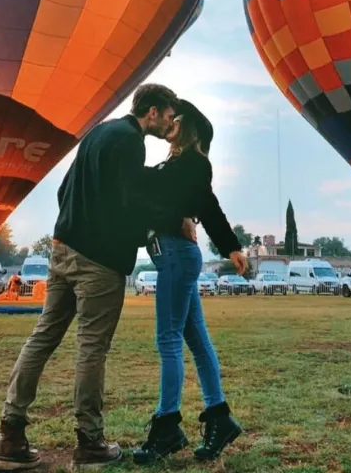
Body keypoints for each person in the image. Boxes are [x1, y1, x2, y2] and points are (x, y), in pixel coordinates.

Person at [0, 84, 180, 472]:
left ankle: (10, 435)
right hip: (99, 262)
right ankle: (89, 442)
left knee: (44, 336)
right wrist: (165, 224)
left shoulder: (99, 132)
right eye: (169, 116)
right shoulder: (131, 141)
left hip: (63, 250)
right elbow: (130, 202)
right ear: (153, 112)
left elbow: (64, 190)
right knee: (92, 348)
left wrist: (73, 228)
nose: (171, 124)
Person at [131, 99, 246, 465]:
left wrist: (230, 246)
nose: (171, 121)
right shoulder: (177, 164)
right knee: (196, 340)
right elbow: (197, 203)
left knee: (168, 339)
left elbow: (207, 207)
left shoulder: (194, 163)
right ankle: (219, 418)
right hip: (176, 254)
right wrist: (229, 246)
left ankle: (166, 425)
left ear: (189, 127)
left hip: (177, 256)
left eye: (176, 118)